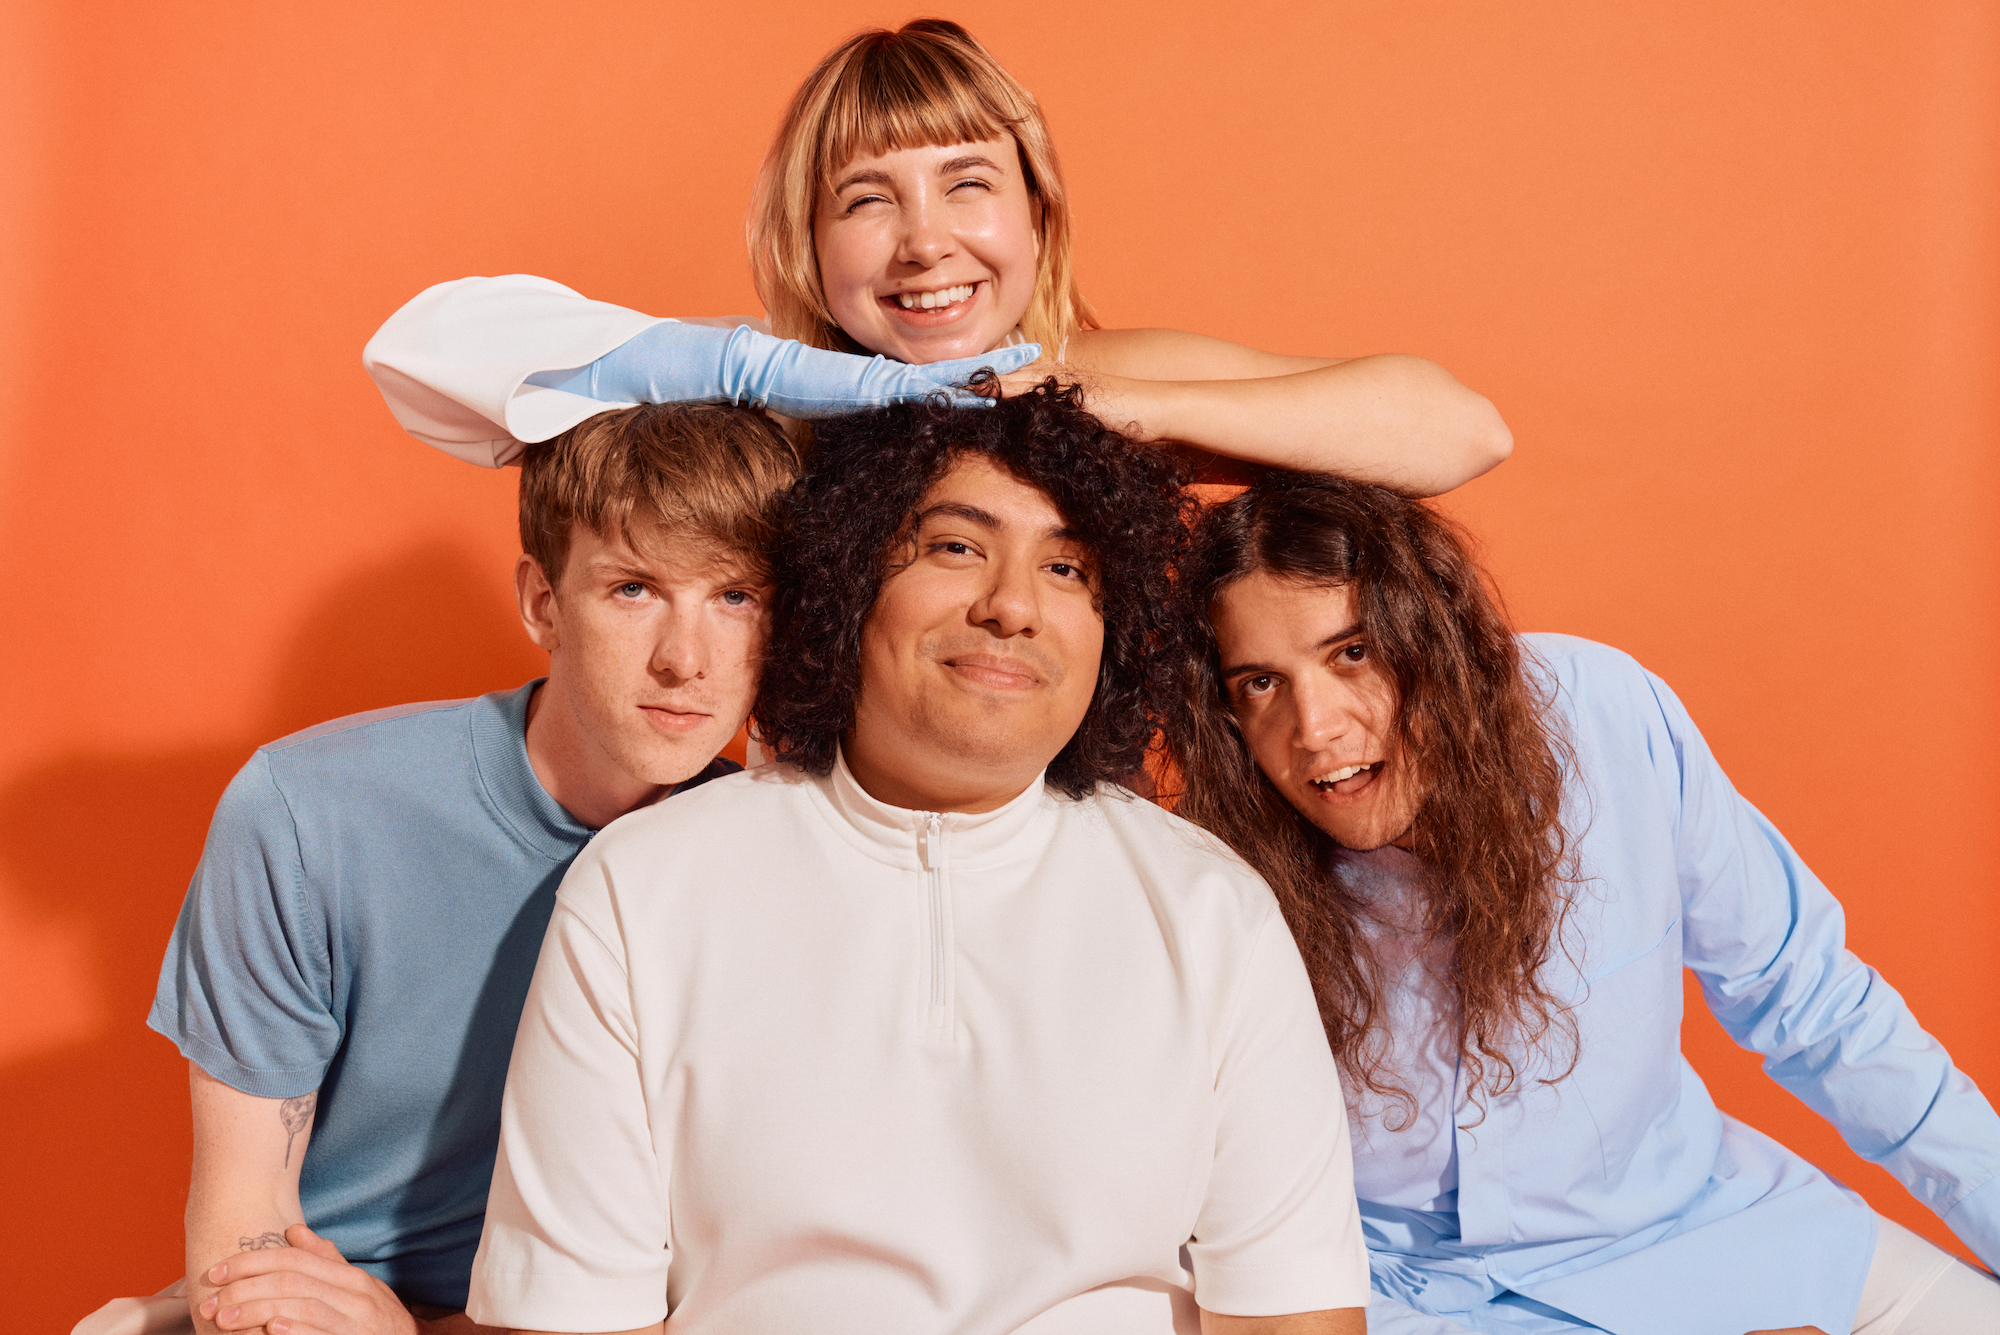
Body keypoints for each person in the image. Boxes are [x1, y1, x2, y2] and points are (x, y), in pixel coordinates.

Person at [465, 386, 1372, 1334]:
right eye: (956, 547)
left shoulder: (1210, 907)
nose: (1014, 605)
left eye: (1067, 567)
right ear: (848, 579)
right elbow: (561, 1318)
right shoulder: (638, 890)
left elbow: (1294, 1313)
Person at [1166, 472, 2000, 1335]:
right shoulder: (1217, 878)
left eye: (1353, 653)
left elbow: (1807, 995)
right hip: (1406, 1296)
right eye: (1260, 683)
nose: (1316, 727)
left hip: (1709, 1236)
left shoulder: (1603, 714)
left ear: (1433, 636)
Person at [80, 404, 800, 1335]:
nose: (685, 660)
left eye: (735, 597)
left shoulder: (774, 855)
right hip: (328, 1304)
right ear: (543, 600)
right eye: (633, 588)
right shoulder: (308, 815)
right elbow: (240, 1235)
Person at [361, 19, 1512, 495]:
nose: (924, 243)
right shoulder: (769, 406)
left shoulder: (1113, 372)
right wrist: (761, 371)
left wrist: (1095, 401)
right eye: (866, 199)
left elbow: (1457, 427)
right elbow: (426, 360)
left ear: (1037, 214)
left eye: (967, 183)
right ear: (807, 249)